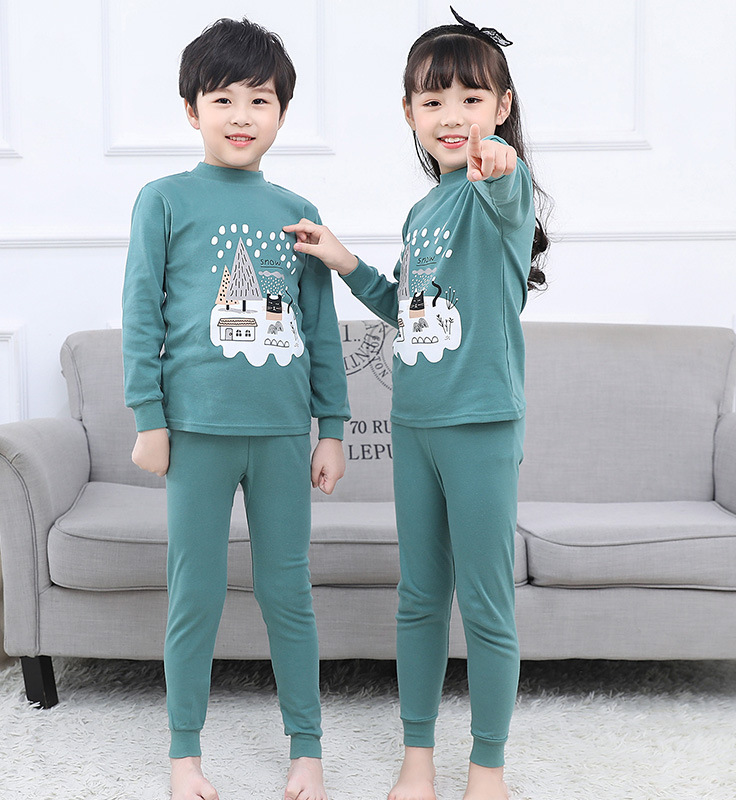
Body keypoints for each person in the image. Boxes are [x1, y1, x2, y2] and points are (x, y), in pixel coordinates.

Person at [285, 8, 549, 800]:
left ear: (501, 106)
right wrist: (343, 261)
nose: (452, 116)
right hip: (416, 425)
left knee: (486, 604)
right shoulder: (423, 210)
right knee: (420, 599)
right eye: (434, 101)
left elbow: (505, 176)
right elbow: (408, 309)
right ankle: (417, 759)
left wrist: (499, 163)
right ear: (409, 112)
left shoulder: (498, 190)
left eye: (472, 98)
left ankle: (488, 769)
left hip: (480, 425)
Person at [121, 17, 349, 800]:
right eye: (223, 99)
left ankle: (307, 749)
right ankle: (184, 754)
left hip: (283, 433)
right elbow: (141, 315)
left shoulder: (297, 208)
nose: (242, 115)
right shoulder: (163, 201)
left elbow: (320, 328)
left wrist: (333, 428)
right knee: (197, 593)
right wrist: (149, 417)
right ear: (192, 110)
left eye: (260, 99)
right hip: (195, 434)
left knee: (289, 593)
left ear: (282, 112)